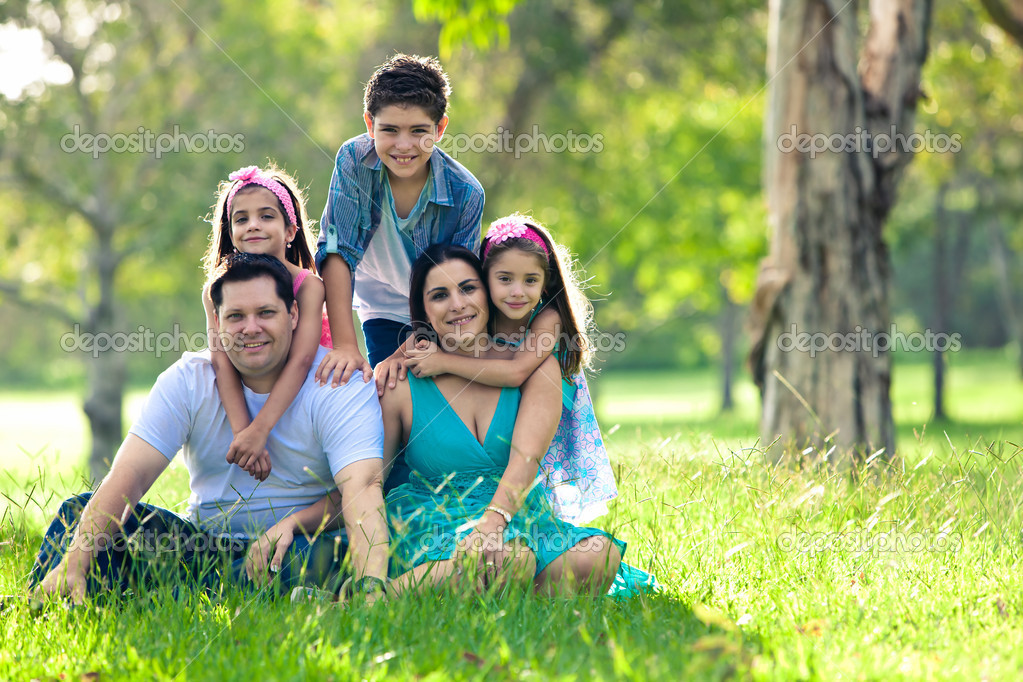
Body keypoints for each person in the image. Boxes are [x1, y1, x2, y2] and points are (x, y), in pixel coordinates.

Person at [32, 254, 389, 604]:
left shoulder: (338, 382)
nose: (251, 327)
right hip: (200, 543)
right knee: (80, 515)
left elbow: (362, 491)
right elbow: (129, 477)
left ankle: (151, 602)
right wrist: (76, 561)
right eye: (236, 316)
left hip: (293, 544)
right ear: (216, 322)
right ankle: (48, 598)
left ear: (293, 314)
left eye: (266, 313)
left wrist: (365, 585)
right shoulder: (188, 380)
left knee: (310, 560)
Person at [381, 245, 624, 596]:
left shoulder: (534, 364)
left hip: (515, 511)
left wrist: (492, 524)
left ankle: (469, 587)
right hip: (433, 518)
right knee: (509, 560)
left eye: (468, 288)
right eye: (439, 295)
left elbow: (526, 458)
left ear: (488, 293)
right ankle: (382, 598)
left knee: (599, 554)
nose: (457, 304)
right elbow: (372, 478)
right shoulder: (403, 381)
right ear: (424, 311)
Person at [392, 214, 617, 524]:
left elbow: (515, 373)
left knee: (533, 481)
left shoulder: (547, 318)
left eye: (530, 280)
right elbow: (420, 335)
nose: (517, 292)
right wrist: (390, 362)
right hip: (494, 417)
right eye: (505, 279)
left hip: (541, 404)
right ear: (486, 278)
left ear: (545, 281)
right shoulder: (481, 312)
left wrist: (443, 363)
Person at [313, 53, 485, 388]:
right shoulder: (354, 161)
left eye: (419, 131)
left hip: (445, 312)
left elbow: (457, 286)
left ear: (440, 128)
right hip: (382, 303)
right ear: (369, 124)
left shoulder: (466, 194)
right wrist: (346, 346)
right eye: (389, 130)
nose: (403, 145)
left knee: (437, 393)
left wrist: (407, 353)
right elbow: (337, 248)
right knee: (388, 389)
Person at [202, 164, 328, 481]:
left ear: (290, 230)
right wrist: (244, 431)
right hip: (253, 389)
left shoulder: (308, 286)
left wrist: (261, 428)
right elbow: (221, 359)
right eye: (241, 219)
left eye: (266, 216)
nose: (253, 226)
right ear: (230, 233)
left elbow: (301, 361)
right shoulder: (215, 290)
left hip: (309, 393)